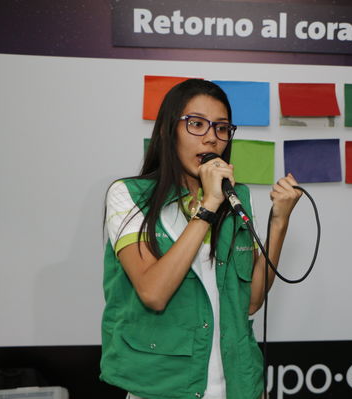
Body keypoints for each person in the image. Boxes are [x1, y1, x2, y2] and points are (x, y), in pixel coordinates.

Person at [100, 79, 301, 399]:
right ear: (167, 130)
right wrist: (208, 205)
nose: (211, 137)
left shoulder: (238, 198)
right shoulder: (128, 195)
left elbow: (249, 302)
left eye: (221, 128)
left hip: (237, 385)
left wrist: (280, 222)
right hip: (165, 388)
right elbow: (153, 292)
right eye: (196, 124)